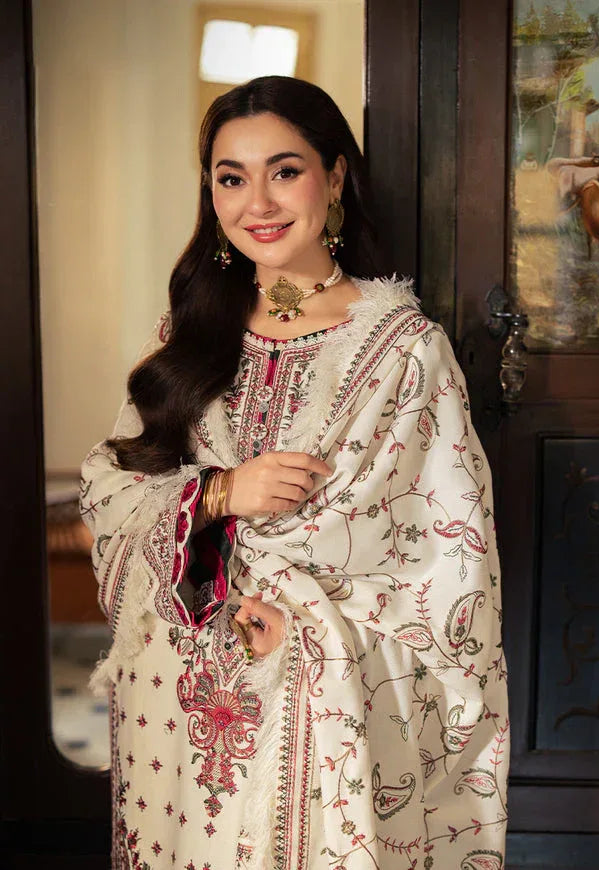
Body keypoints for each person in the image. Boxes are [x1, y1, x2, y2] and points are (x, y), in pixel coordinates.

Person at [80, 74, 510, 870]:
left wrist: (306, 622)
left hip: (320, 703)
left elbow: (445, 571)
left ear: (335, 175)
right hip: (176, 695)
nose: (259, 204)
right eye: (231, 178)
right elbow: (110, 490)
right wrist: (216, 493)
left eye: (285, 170)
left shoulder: (405, 351)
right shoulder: (187, 333)